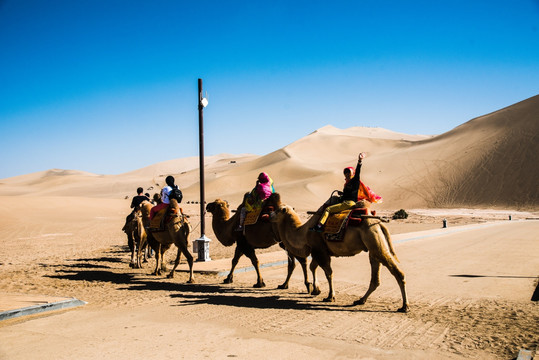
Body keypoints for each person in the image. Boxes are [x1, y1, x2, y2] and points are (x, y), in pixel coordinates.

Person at [309, 152, 381, 232]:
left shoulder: (355, 181)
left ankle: (319, 226)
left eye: (348, 173)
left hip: (349, 203)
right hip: (346, 202)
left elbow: (357, 172)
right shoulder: (347, 184)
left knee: (328, 209)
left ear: (352, 173)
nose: (347, 175)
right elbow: (349, 193)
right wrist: (342, 194)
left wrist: (359, 161)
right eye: (345, 173)